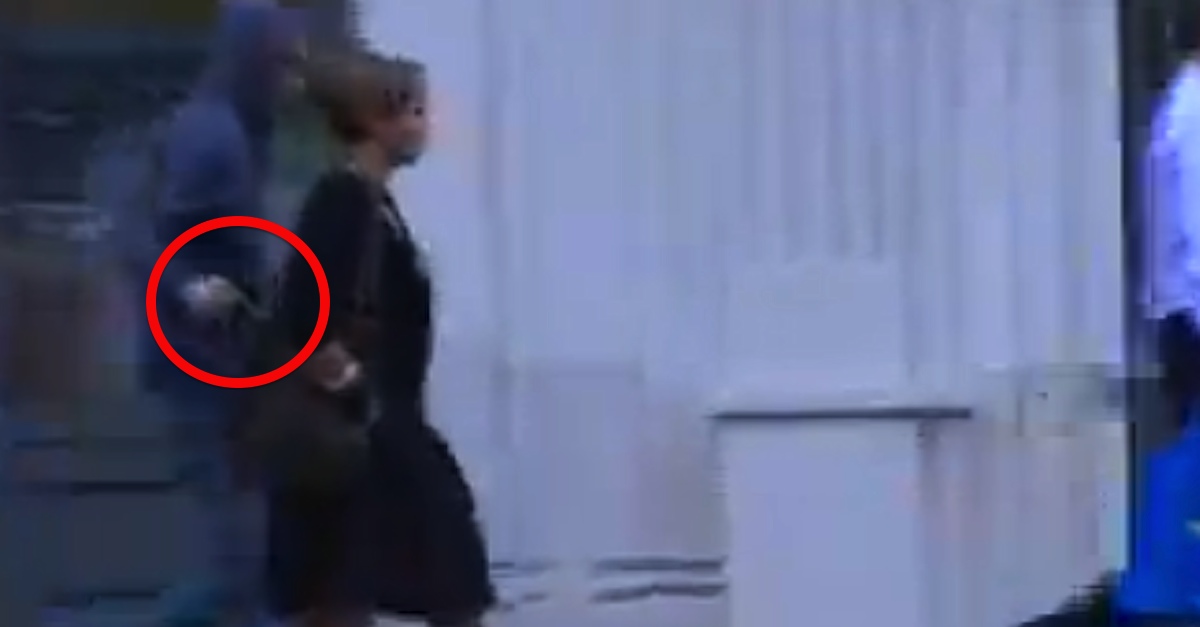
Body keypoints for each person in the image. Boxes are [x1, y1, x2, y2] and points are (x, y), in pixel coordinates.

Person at [264, 50, 496, 627]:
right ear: (374, 119)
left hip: (385, 422)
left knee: (382, 584)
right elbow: (303, 316)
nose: (423, 125)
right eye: (412, 111)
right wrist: (348, 381)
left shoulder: (374, 202)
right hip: (362, 430)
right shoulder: (340, 201)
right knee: (429, 579)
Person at [133, 3, 301, 626]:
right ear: (251, 62)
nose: (291, 82)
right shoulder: (212, 136)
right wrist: (189, 288)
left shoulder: (242, 131)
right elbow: (151, 237)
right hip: (196, 369)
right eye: (281, 65)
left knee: (247, 548)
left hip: (225, 366)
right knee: (238, 556)